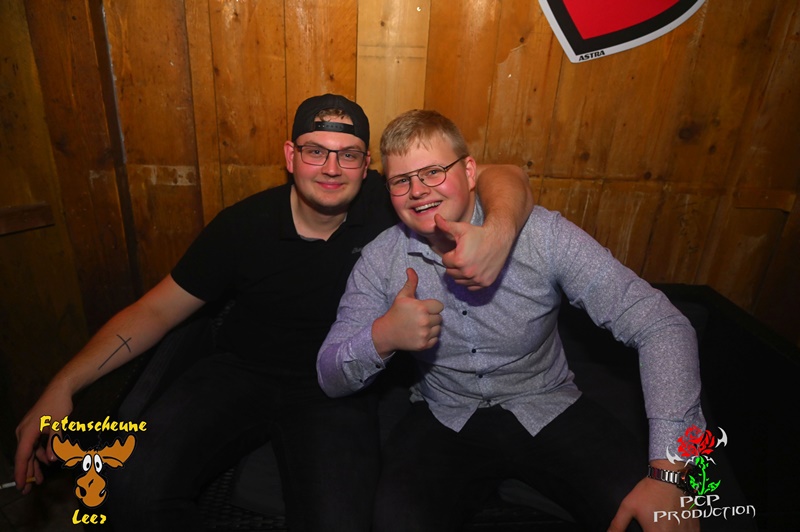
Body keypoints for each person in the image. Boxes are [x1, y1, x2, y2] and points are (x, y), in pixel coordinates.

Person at [13, 95, 533, 531]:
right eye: (315, 151)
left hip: (337, 388)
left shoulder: (392, 202)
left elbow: (505, 174)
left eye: (348, 155)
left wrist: (498, 234)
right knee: (126, 490)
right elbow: (155, 310)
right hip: (238, 372)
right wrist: (64, 384)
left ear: (366, 165)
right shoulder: (243, 225)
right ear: (290, 155)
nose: (332, 168)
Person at [317, 109, 705, 531]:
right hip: (444, 413)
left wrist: (669, 472)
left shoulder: (542, 235)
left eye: (432, 172)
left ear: (470, 172)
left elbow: (662, 324)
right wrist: (382, 336)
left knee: (650, 517)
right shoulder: (381, 260)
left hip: (547, 403)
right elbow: (329, 375)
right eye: (401, 180)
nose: (418, 191)